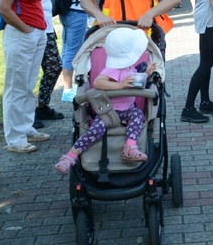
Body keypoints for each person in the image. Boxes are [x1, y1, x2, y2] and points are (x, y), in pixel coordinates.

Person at [54, 27, 156, 174]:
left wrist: (146, 73)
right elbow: (98, 83)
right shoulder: (112, 69)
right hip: (107, 112)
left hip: (128, 110)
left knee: (138, 115)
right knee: (95, 131)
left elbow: (136, 80)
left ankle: (130, 147)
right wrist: (119, 85)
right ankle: (69, 157)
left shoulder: (130, 68)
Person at [0, 0, 51, 153]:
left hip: (35, 33)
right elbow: (3, 8)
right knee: (16, 87)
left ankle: (27, 127)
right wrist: (26, 30)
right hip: (22, 35)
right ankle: (15, 138)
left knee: (28, 85)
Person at [53, 0, 88, 103]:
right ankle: (68, 89)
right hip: (77, 10)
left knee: (67, 46)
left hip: (64, 11)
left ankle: (68, 86)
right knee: (74, 50)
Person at [33, 0, 64, 128]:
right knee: (29, 74)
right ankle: (26, 114)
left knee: (54, 67)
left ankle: (42, 105)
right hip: (31, 28)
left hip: (46, 26)